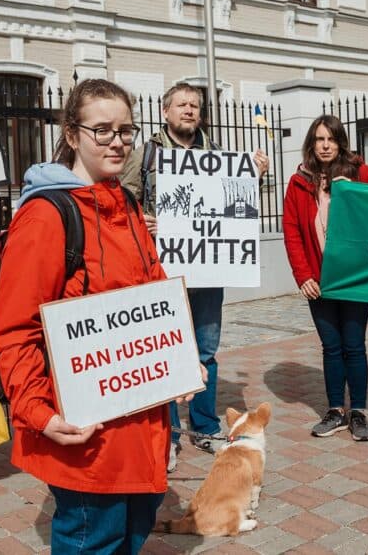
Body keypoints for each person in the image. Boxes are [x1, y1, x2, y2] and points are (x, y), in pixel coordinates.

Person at [0, 79, 174, 553]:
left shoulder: (128, 205)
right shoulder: (47, 216)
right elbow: (14, 329)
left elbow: (154, 298)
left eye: (126, 130)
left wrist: (180, 358)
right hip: (85, 429)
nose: (118, 141)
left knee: (131, 535)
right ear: (72, 135)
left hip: (141, 416)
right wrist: (37, 412)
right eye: (103, 130)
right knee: (95, 539)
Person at [120, 82, 269, 470]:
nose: (189, 110)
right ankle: (166, 436)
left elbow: (240, 205)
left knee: (205, 350)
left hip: (207, 269)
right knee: (166, 350)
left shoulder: (218, 154)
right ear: (166, 111)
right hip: (162, 270)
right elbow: (120, 203)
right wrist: (141, 220)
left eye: (195, 106)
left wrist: (256, 176)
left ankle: (203, 426)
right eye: (181, 105)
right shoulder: (147, 154)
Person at [282, 115, 368, 441]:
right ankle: (336, 410)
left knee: (354, 346)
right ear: (311, 144)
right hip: (319, 281)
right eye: (319, 139)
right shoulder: (299, 182)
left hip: (354, 278)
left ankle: (359, 412)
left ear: (341, 143)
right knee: (331, 347)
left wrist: (355, 195)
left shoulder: (361, 174)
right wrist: (303, 276)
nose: (325, 145)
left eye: (331, 139)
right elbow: (292, 232)